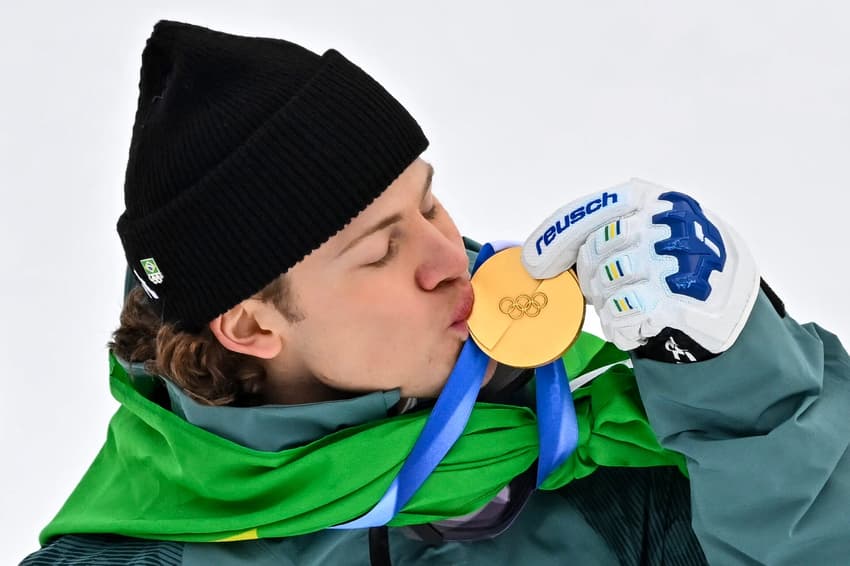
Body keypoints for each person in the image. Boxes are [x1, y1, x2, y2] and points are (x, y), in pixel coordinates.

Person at [21, 20, 850, 566]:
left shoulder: (604, 451)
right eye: (382, 251)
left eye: (428, 202)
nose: (450, 254)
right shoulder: (132, 556)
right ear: (249, 324)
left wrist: (740, 379)